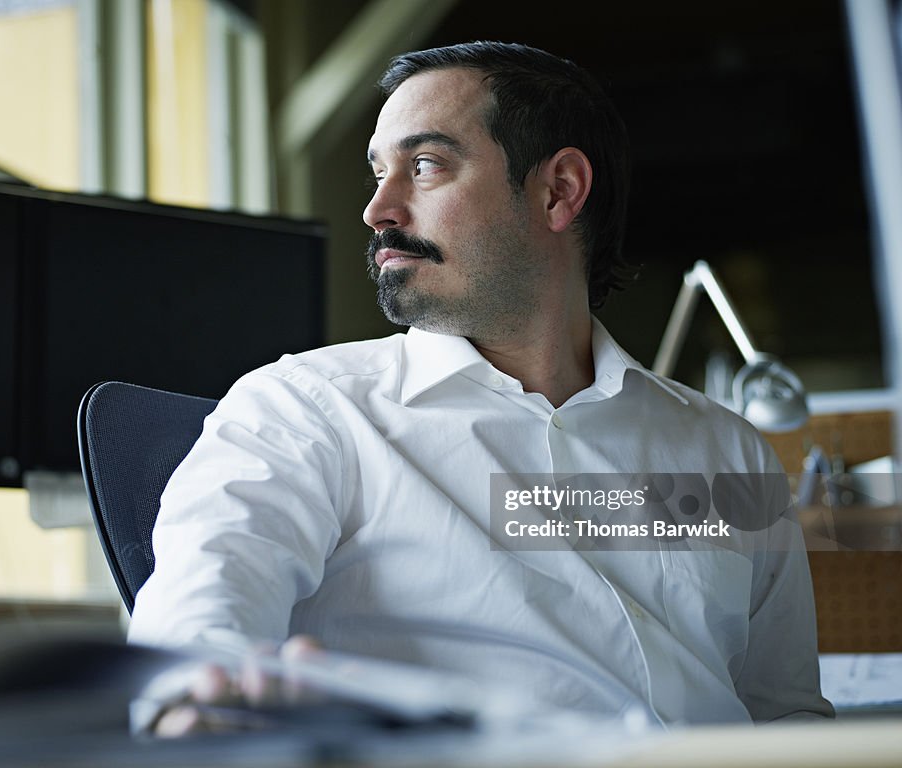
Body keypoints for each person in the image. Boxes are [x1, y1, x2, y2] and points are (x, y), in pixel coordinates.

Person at [128, 41, 833, 728]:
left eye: (425, 165)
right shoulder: (307, 412)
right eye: (378, 173)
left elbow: (786, 714)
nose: (378, 211)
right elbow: (199, 627)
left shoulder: (727, 451)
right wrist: (197, 708)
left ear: (558, 191)